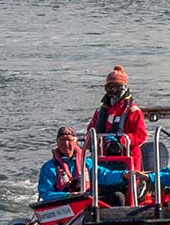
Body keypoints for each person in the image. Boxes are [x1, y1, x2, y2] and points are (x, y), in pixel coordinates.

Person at [88, 67, 149, 202]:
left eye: (115, 87)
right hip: (103, 159)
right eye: (109, 88)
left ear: (123, 87)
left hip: (127, 159)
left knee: (126, 194)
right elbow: (90, 131)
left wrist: (122, 141)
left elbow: (141, 135)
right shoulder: (100, 112)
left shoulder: (133, 111)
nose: (112, 92)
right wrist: (95, 143)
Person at [37, 127, 89, 200]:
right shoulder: (48, 168)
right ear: (57, 142)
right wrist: (67, 195)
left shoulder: (87, 163)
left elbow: (104, 175)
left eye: (69, 140)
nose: (66, 144)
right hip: (62, 204)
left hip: (86, 201)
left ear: (75, 141)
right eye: (62, 140)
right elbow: (45, 193)